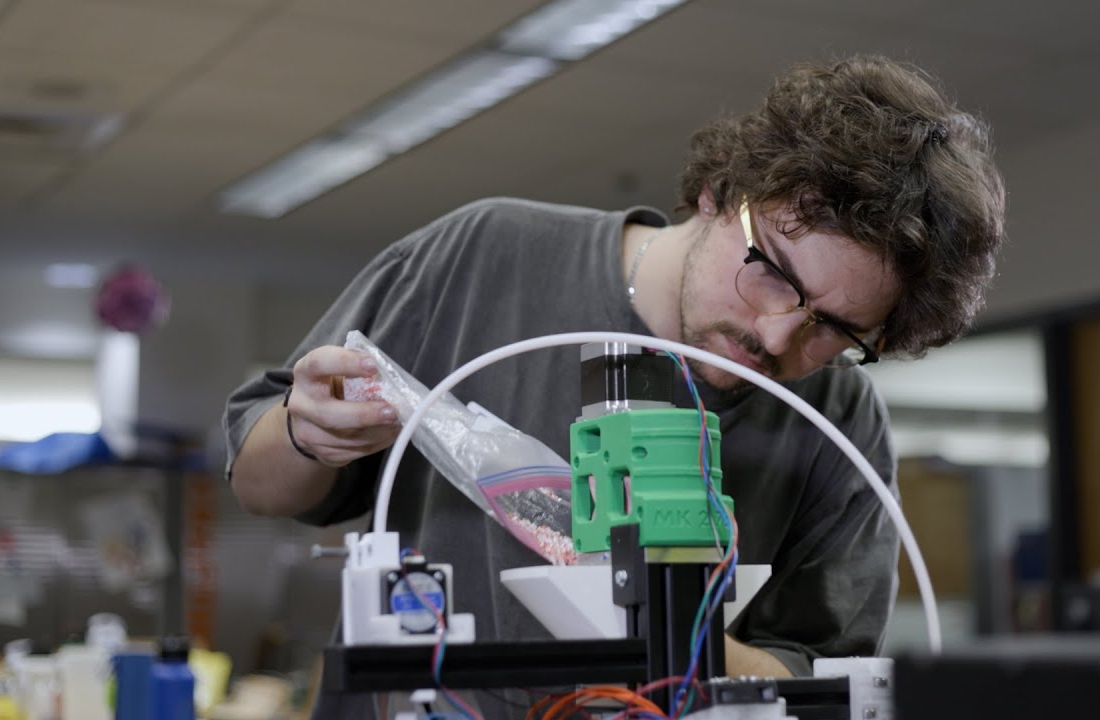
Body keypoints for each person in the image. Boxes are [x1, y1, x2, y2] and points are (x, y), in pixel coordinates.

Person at [224, 54, 1004, 715]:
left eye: (832, 328)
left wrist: (662, 628)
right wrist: (305, 432)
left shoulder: (839, 420)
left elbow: (822, 683)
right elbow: (259, 485)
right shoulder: (486, 256)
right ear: (719, 192)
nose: (776, 339)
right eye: (772, 272)